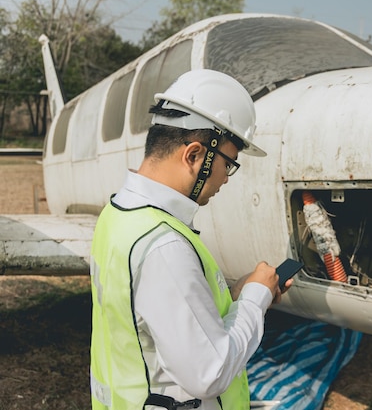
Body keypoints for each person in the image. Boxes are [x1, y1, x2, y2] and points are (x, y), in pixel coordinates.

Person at [89, 69, 289, 410]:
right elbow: (209, 373)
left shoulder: (121, 213)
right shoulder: (164, 246)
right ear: (194, 155)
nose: (227, 178)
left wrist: (235, 297)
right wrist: (257, 297)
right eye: (229, 164)